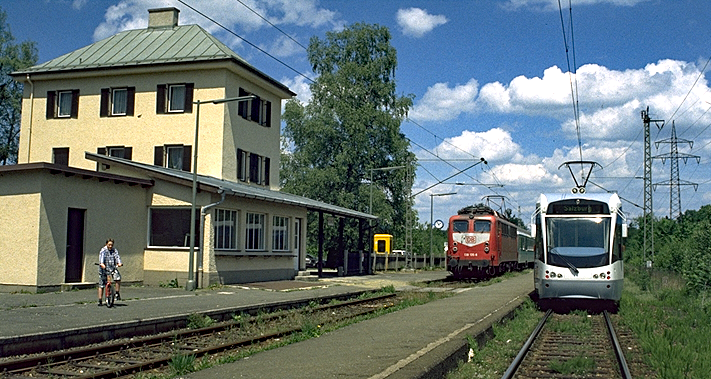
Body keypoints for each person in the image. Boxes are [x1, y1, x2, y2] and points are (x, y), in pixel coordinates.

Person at [98, 239, 123, 306]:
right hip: (104, 268)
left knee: (118, 278)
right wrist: (102, 264)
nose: (110, 246)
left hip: (112, 267)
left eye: (111, 245)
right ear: (106, 244)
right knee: (102, 284)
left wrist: (119, 263)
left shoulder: (114, 250)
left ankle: (117, 293)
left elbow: (117, 257)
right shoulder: (103, 250)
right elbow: (101, 258)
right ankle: (100, 300)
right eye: (109, 244)